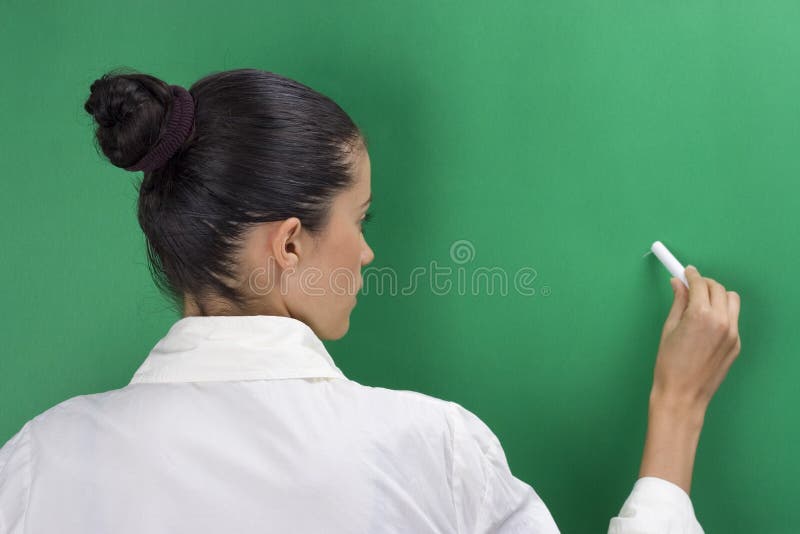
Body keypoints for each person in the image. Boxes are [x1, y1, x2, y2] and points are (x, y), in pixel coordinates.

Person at [0, 68, 741, 533]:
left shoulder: (36, 463)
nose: (368, 254)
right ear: (288, 244)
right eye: (362, 220)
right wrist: (678, 410)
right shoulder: (427, 454)